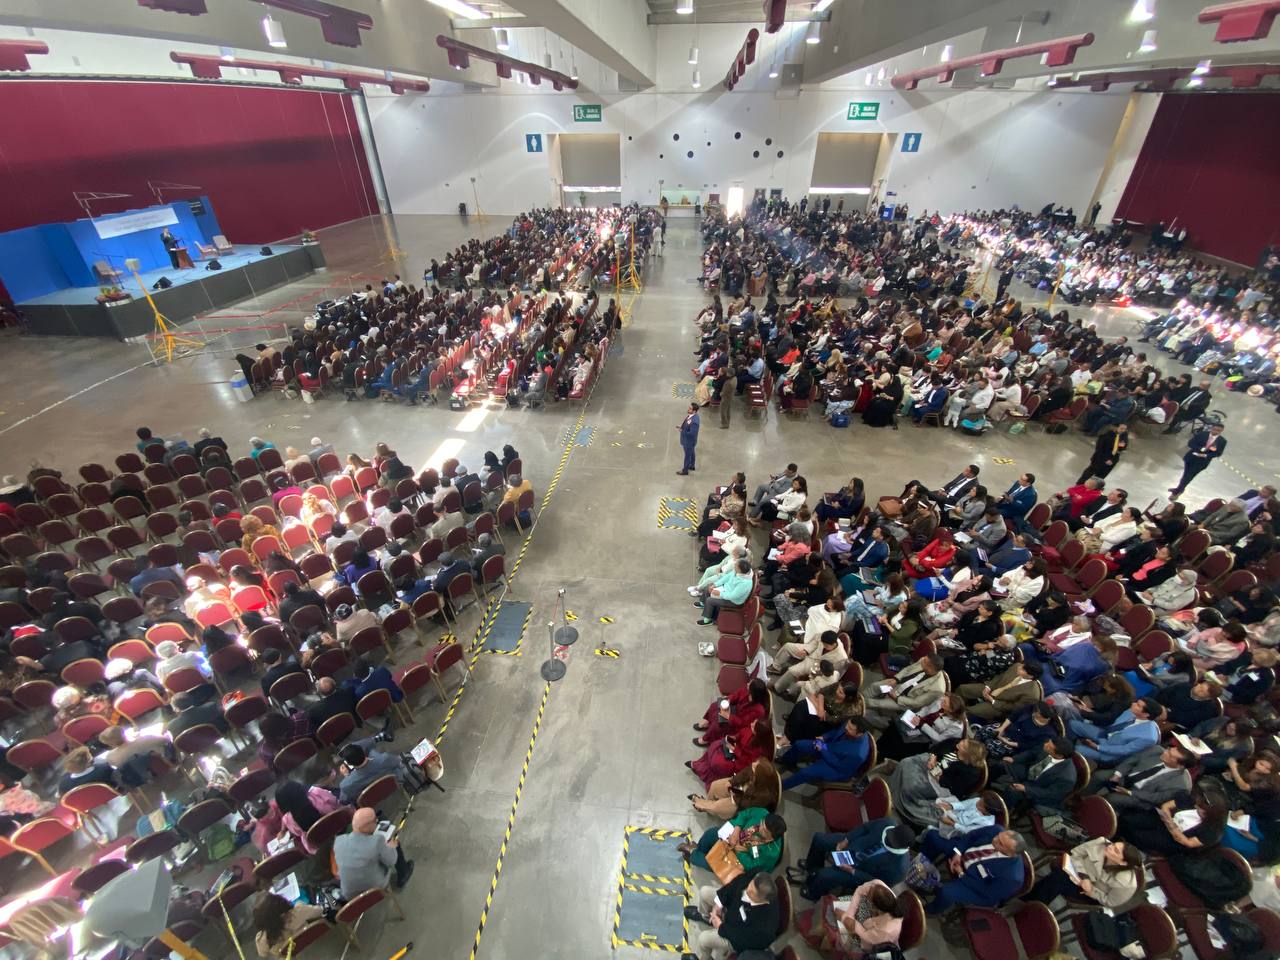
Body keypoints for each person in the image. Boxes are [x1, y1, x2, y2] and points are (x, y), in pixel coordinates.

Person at [788, 819, 914, 901]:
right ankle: (812, 867)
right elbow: (865, 828)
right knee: (819, 839)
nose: (887, 839)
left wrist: (852, 871)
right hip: (853, 845)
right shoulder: (888, 823)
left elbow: (877, 884)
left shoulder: (900, 868)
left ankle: (813, 893)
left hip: (859, 871)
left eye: (891, 841)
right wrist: (846, 840)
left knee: (824, 875)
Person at [920, 826, 1027, 913]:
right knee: (933, 836)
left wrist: (961, 873)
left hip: (975, 885)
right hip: (964, 854)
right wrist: (958, 853)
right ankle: (920, 865)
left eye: (1000, 843)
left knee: (946, 893)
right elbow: (972, 835)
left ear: (1011, 853)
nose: (994, 840)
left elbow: (987, 893)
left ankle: (928, 911)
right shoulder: (996, 830)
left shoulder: (1012, 877)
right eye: (998, 837)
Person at [683, 871, 779, 960]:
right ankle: (707, 917)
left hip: (734, 934)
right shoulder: (755, 877)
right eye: (749, 885)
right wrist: (719, 903)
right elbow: (736, 884)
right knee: (704, 892)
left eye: (751, 893)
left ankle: (705, 958)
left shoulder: (765, 929)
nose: (746, 891)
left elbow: (741, 939)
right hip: (732, 909)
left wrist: (721, 926)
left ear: (763, 900)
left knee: (703, 939)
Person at [1026, 838, 1142, 909]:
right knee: (1059, 877)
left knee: (1059, 879)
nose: (1110, 847)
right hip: (1078, 871)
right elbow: (1076, 853)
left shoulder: (1127, 884)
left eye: (1115, 851)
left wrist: (1092, 891)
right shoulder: (1101, 843)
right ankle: (1032, 901)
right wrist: (1084, 876)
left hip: (1090, 893)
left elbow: (1110, 901)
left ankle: (1031, 902)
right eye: (1113, 844)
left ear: (1123, 863)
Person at [333, 807, 415, 898]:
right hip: (374, 890)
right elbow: (392, 861)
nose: (376, 821)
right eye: (374, 820)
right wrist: (392, 847)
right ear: (366, 826)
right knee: (395, 845)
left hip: (350, 895)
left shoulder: (338, 841)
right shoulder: (377, 841)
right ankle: (403, 874)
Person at [777, 717, 872, 790]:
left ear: (859, 734)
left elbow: (840, 766)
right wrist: (824, 737)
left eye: (850, 728)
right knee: (799, 744)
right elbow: (836, 731)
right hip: (830, 747)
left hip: (837, 768)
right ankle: (787, 761)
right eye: (847, 725)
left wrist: (822, 749)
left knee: (805, 772)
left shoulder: (858, 754)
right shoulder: (850, 724)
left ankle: (780, 787)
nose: (846, 727)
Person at [680, 809, 786, 874]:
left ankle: (693, 853)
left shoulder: (770, 854)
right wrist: (736, 830)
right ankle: (699, 850)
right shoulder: (762, 813)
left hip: (741, 859)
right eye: (762, 823)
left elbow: (752, 866)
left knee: (713, 863)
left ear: (771, 838)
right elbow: (744, 814)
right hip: (734, 836)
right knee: (711, 833)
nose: (760, 828)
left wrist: (739, 851)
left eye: (764, 830)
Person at [995, 736, 1078, 815]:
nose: (1045, 745)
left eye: (1049, 746)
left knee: (1012, 791)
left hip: (1038, 788)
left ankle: (999, 811)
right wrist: (1015, 759)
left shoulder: (1067, 778)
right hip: (1030, 772)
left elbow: (1049, 793)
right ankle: (988, 783)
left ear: (1059, 755)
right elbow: (1031, 753)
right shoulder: (1047, 746)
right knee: (1002, 764)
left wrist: (1025, 789)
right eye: (1048, 743)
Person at [1170, 423, 1226, 498]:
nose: (1215, 431)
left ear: (1221, 431)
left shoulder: (1222, 441)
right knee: (1186, 475)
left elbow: (1218, 453)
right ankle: (1181, 488)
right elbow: (1190, 443)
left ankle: (1177, 491)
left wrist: (1205, 455)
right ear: (1212, 428)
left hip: (1202, 462)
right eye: (1214, 429)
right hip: (1191, 458)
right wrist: (1200, 449)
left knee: (1189, 476)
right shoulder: (1202, 434)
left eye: (1218, 430)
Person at [678, 402, 701, 475]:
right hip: (689, 441)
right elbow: (687, 424)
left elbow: (692, 433)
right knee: (691, 452)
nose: (688, 409)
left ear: (694, 411)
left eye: (690, 408)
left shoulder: (694, 421)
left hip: (689, 441)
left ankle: (685, 470)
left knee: (687, 455)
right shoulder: (692, 416)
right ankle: (692, 465)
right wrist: (682, 427)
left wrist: (682, 431)